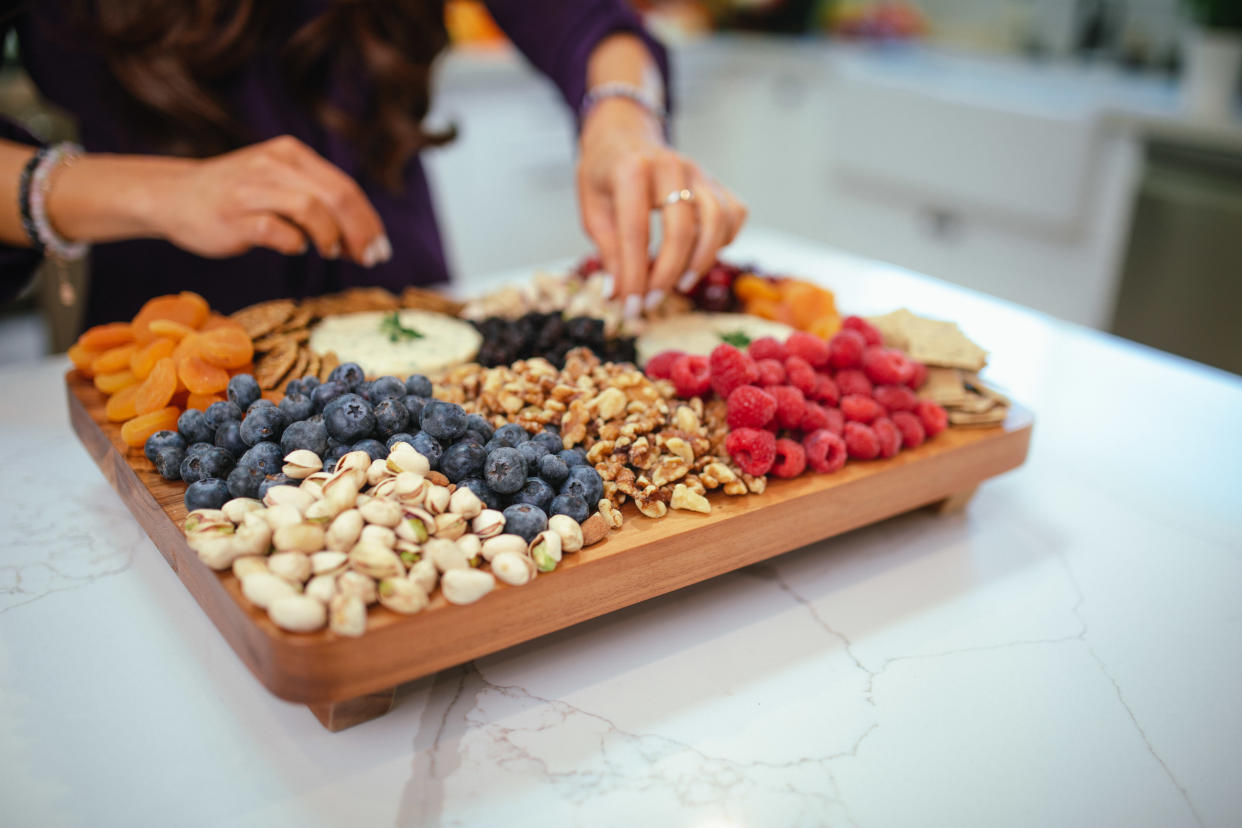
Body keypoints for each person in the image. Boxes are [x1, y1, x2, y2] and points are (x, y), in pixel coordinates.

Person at [0, 1, 747, 329]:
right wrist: (147, 188)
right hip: (171, 333)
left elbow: (589, 22)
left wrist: (623, 117)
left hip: (408, 300)